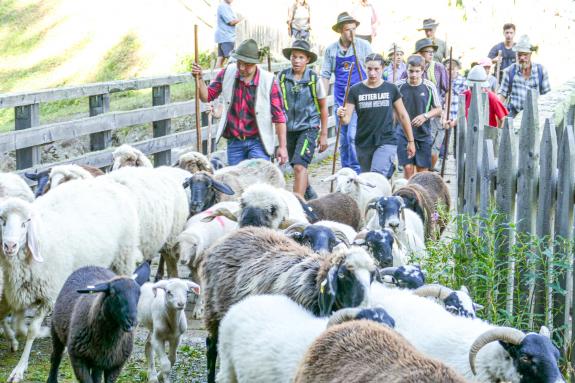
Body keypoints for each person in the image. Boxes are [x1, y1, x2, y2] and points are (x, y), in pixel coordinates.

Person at [191, 39, 288, 166]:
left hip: (259, 142)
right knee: (236, 183)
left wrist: (282, 146)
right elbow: (206, 96)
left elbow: (279, 117)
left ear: (255, 63)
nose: (242, 68)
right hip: (235, 142)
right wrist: (199, 79)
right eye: (239, 63)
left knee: (257, 179)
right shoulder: (227, 73)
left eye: (246, 64)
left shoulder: (269, 81)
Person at [337, 54, 415, 178]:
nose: (372, 73)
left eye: (376, 69)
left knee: (376, 176)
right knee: (367, 180)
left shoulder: (391, 88)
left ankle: (385, 174)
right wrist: (340, 113)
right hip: (363, 141)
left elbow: (402, 115)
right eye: (369, 69)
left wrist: (411, 141)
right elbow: (346, 120)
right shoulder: (355, 90)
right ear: (364, 68)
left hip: (386, 140)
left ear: (383, 68)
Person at [321, 12, 373, 174]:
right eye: (347, 30)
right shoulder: (331, 50)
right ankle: (345, 170)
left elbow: (373, 70)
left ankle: (357, 170)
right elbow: (325, 75)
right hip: (340, 99)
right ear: (340, 31)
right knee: (342, 137)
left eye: (353, 29)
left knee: (352, 136)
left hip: (359, 99)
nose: (351, 33)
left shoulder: (363, 46)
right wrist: (321, 98)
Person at [278, 40, 328, 199]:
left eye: (300, 57)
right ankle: (309, 194)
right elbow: (275, 102)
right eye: (294, 57)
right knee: (296, 165)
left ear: (307, 60)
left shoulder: (313, 79)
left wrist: (324, 134)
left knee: (300, 166)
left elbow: (323, 107)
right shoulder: (282, 77)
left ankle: (297, 204)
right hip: (288, 129)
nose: (297, 61)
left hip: (308, 128)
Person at [402, 38, 448, 170]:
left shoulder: (439, 68)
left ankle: (428, 172)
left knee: (432, 150)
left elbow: (448, 90)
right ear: (419, 54)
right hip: (412, 114)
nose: (431, 54)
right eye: (427, 51)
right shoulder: (410, 68)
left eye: (432, 51)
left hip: (434, 115)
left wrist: (446, 113)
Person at [395, 55, 442, 179]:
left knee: (422, 172)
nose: (414, 75)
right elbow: (392, 109)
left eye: (417, 71)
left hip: (423, 133)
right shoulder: (398, 86)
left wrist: (425, 116)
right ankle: (408, 194)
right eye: (411, 71)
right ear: (406, 69)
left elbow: (438, 109)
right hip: (403, 132)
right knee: (408, 168)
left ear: (423, 70)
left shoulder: (429, 86)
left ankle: (421, 196)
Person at [498, 35, 550, 118]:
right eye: (519, 54)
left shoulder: (541, 71)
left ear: (530, 54)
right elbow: (502, 94)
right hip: (514, 114)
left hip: (535, 115)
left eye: (525, 54)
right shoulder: (509, 71)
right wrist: (497, 112)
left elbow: (547, 97)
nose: (522, 58)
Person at [215, 0, 243, 68]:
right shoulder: (223, 6)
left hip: (224, 37)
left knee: (220, 59)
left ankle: (215, 78)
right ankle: (230, 77)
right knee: (232, 60)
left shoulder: (226, 6)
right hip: (227, 37)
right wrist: (242, 19)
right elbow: (231, 22)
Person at [442, 58, 467, 130]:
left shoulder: (463, 81)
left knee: (458, 139)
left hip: (458, 117)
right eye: (448, 69)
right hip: (445, 117)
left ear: (457, 69)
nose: (450, 71)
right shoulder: (443, 81)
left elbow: (465, 101)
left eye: (452, 69)